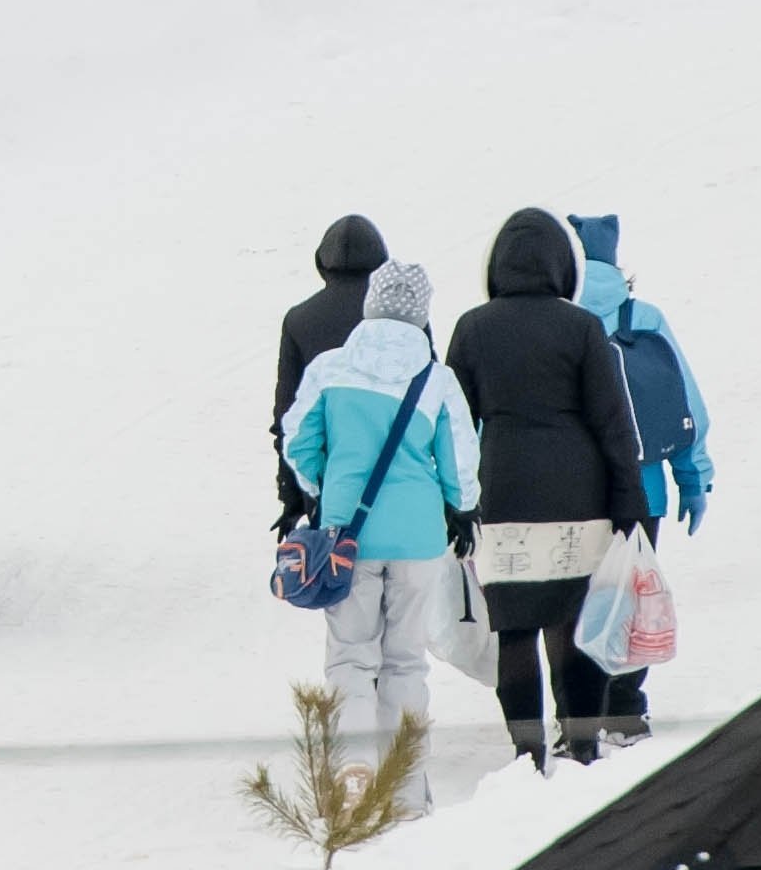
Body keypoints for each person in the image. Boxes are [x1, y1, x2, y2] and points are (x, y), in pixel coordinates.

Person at [444, 211, 653, 769]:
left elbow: (452, 425)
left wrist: (452, 502)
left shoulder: (471, 328)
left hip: (503, 490)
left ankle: (526, 749)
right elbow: (613, 422)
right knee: (570, 618)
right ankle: (580, 739)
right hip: (576, 492)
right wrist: (628, 499)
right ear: (562, 265)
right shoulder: (581, 326)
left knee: (513, 627)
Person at [280, 257, 479, 814]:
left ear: (370, 305)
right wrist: (460, 508)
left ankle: (354, 772)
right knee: (406, 662)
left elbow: (298, 441)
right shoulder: (436, 380)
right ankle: (408, 789)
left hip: (349, 536)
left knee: (350, 658)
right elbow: (461, 462)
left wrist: (327, 487)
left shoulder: (329, 368)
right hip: (418, 540)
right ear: (421, 315)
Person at [568, 212, 714, 538]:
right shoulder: (645, 318)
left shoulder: (553, 322)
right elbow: (685, 405)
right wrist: (694, 480)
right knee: (635, 587)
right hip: (643, 492)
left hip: (569, 496)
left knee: (581, 590)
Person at [272, 214, 390, 527]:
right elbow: (432, 403)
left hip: (328, 480)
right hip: (397, 474)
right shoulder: (400, 319)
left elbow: (288, 417)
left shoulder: (299, 320)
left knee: (341, 573)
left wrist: (293, 497)